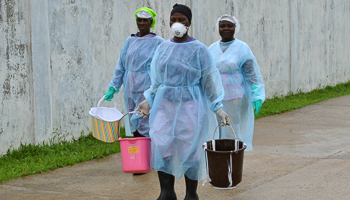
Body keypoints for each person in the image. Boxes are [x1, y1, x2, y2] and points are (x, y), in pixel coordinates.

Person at [136, 4, 229, 200]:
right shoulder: (163, 48)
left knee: (190, 148)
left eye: (182, 20)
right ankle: (167, 192)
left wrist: (218, 107)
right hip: (164, 105)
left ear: (189, 23)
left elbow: (210, 81)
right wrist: (148, 100)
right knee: (163, 145)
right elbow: (157, 80)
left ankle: (191, 194)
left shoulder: (199, 50)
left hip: (190, 107)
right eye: (173, 20)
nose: (176, 24)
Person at [104, 7, 164, 140]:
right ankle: (139, 151)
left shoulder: (158, 42)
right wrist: (114, 86)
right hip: (130, 88)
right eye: (139, 20)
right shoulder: (129, 41)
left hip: (147, 87)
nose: (142, 23)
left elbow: (164, 66)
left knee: (147, 118)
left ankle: (151, 151)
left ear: (151, 22)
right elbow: (121, 65)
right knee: (133, 117)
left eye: (145, 20)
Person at [208, 14, 265, 151]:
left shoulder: (242, 48)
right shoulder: (211, 48)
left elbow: (252, 74)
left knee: (232, 127)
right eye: (222, 26)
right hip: (216, 97)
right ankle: (218, 158)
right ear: (218, 28)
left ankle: (232, 158)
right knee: (216, 129)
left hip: (235, 96)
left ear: (235, 28)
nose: (226, 28)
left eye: (229, 25)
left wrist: (257, 95)